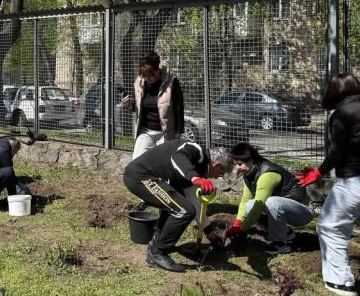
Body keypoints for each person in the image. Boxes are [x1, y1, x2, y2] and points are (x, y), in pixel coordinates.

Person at [297, 73, 360, 296]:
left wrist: (319, 172)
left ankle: (341, 281)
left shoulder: (342, 114)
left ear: (334, 92)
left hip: (357, 181)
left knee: (330, 226)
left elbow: (338, 150)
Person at [123, 139, 232, 273]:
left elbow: (195, 203)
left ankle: (155, 243)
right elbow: (177, 157)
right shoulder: (196, 150)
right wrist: (195, 178)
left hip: (151, 179)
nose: (216, 178)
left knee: (180, 205)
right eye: (220, 173)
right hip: (141, 177)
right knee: (183, 211)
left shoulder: (195, 170)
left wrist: (209, 232)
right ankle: (157, 253)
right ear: (217, 165)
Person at [225, 142, 313, 255]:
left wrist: (242, 228)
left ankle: (281, 244)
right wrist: (238, 222)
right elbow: (245, 200)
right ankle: (286, 233)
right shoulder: (249, 174)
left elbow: (259, 206)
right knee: (249, 205)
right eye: (236, 164)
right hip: (286, 208)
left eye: (240, 163)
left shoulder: (267, 174)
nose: (237, 167)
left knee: (271, 202)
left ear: (251, 160)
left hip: (303, 212)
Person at [120, 51, 185, 159]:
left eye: (150, 76)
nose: (147, 79)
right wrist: (128, 104)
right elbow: (137, 108)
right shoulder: (139, 83)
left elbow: (179, 109)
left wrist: (178, 133)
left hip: (165, 134)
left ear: (157, 71)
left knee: (162, 168)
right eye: (144, 76)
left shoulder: (172, 82)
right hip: (145, 132)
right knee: (137, 163)